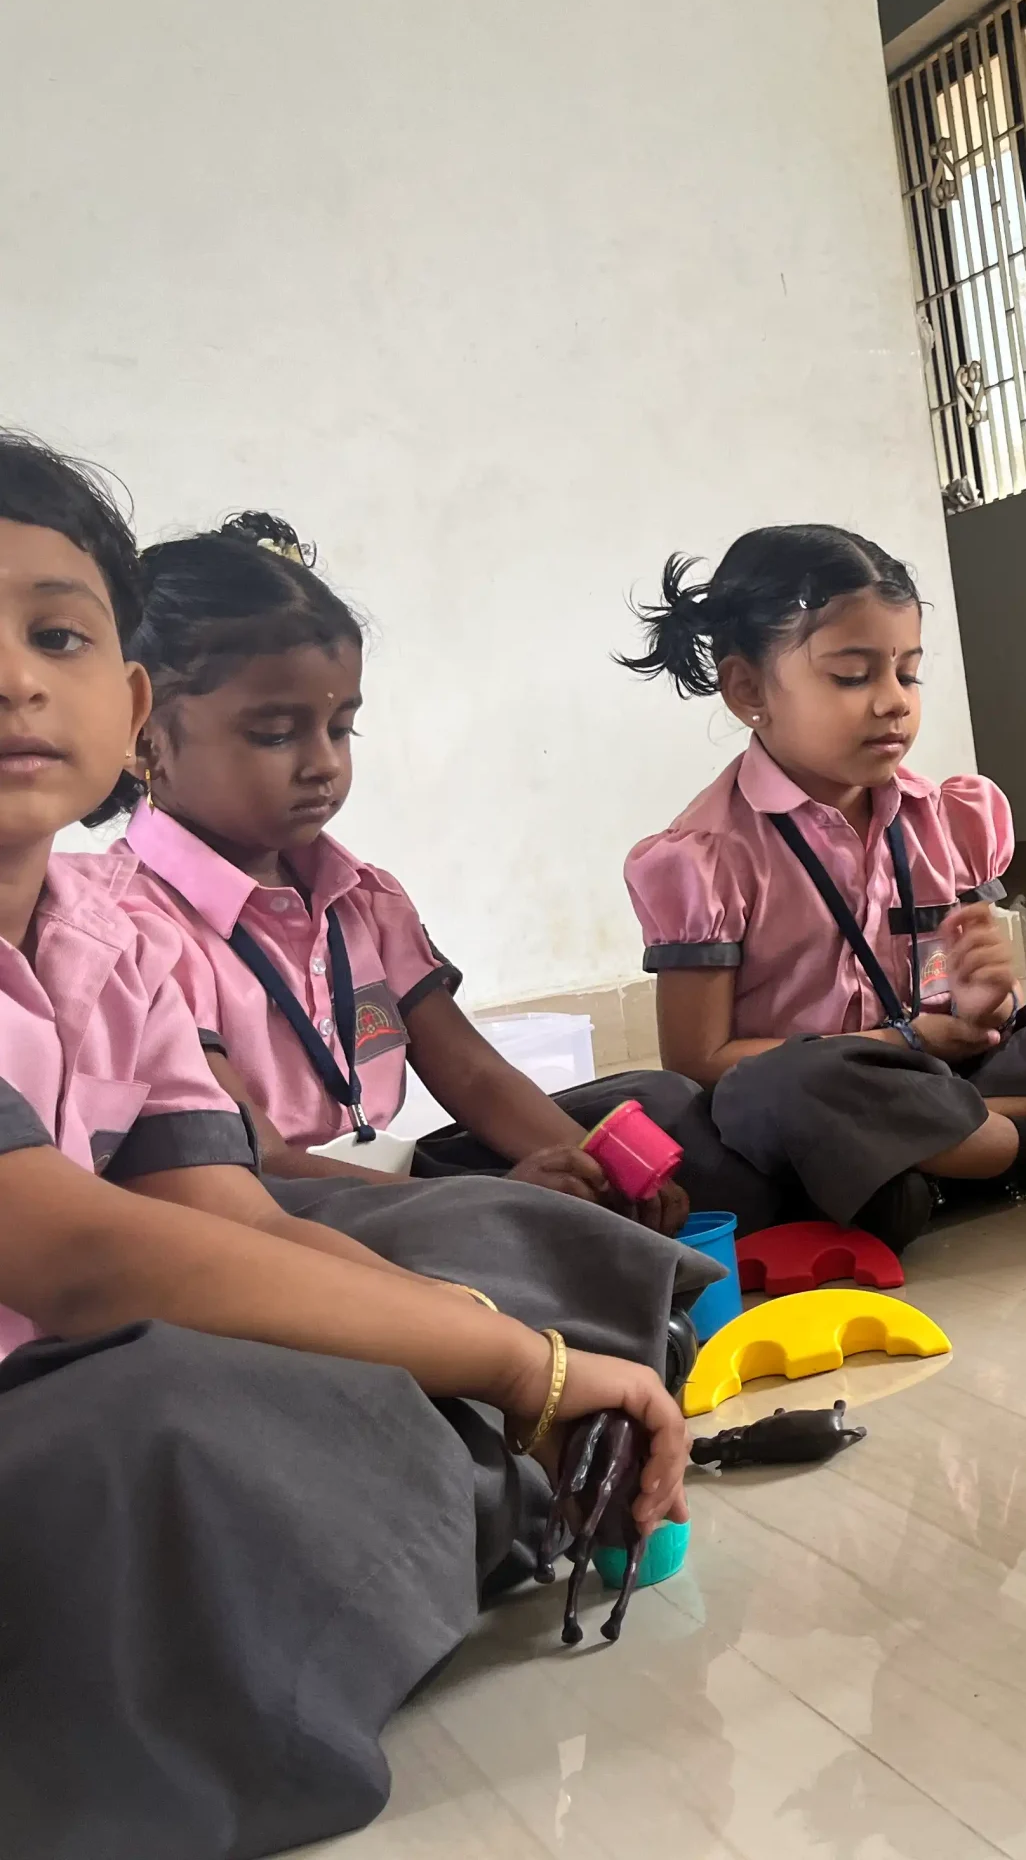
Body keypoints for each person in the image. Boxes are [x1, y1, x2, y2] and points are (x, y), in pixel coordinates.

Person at [0, 427, 698, 1854]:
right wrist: (516, 1365)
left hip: (98, 1356)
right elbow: (76, 1256)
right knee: (174, 1419)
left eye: (54, 635)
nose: (12, 678)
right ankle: (430, 1518)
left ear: (125, 704)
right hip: (71, 1404)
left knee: (407, 1293)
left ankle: (412, 1522)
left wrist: (472, 1336)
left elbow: (231, 1217)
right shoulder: (143, 917)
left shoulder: (95, 950)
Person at [96, 513, 772, 1231]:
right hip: (262, 1216)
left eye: (340, 728)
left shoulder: (365, 901)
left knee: (663, 1106)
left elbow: (474, 1074)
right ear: (143, 740)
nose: (323, 763)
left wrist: (593, 1167)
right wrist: (496, 1197)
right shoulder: (131, 930)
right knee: (498, 1226)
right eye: (275, 734)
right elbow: (258, 1163)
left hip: (385, 1188)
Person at [620, 524, 1026, 1241]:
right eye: (852, 676)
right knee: (776, 1087)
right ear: (748, 689)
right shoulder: (708, 856)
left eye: (907, 674)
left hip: (946, 1082)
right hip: (831, 1095)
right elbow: (699, 1063)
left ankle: (943, 1157)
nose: (893, 701)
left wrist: (986, 1004)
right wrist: (904, 1041)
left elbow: (979, 1004)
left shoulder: (942, 816)